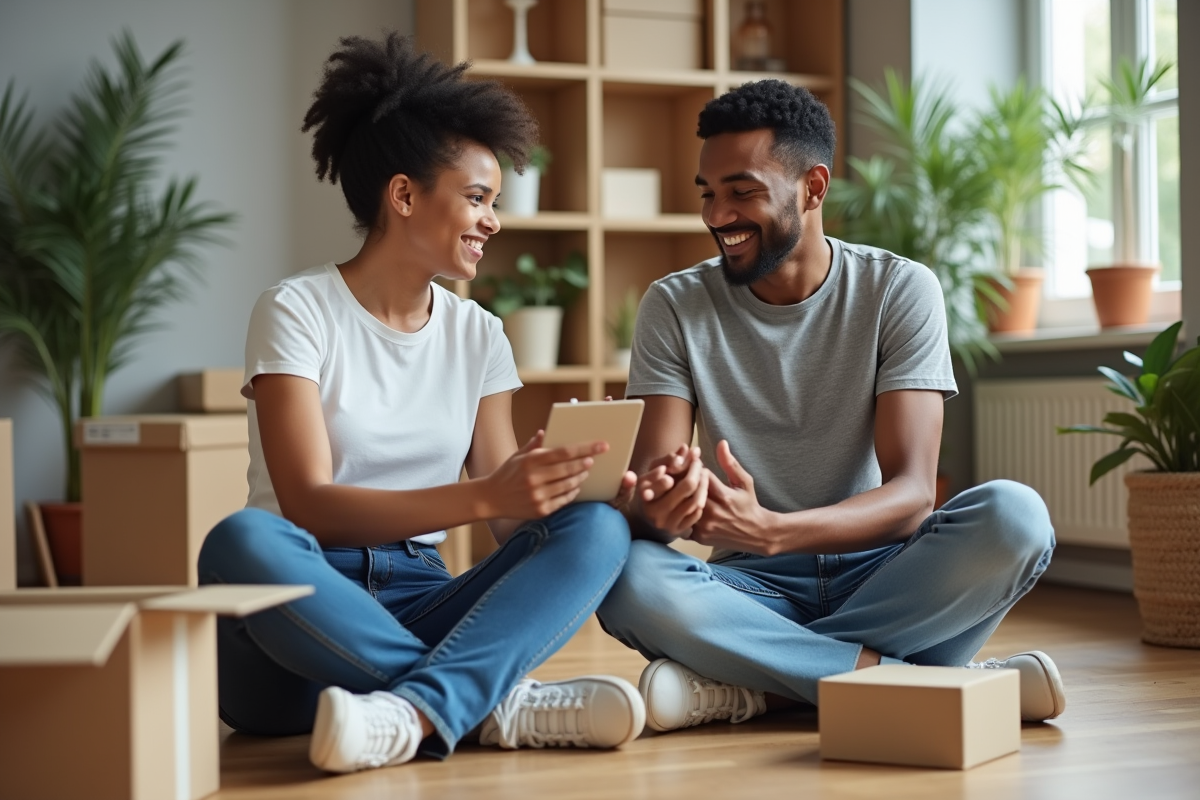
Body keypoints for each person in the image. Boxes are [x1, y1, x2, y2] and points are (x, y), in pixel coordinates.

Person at [197, 33, 644, 774]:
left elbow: (506, 520)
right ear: (404, 196)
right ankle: (483, 703)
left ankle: (419, 710)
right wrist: (487, 494)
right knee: (240, 540)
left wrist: (565, 493)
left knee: (598, 528)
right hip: (297, 621)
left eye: (495, 203)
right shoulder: (296, 310)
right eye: (477, 198)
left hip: (420, 601)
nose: (493, 221)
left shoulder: (480, 334)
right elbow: (308, 504)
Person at [597, 79, 1063, 734]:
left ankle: (764, 685)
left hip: (886, 574)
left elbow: (912, 495)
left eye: (742, 192)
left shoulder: (898, 288)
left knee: (1016, 516)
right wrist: (657, 505)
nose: (717, 215)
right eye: (707, 193)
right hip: (750, 589)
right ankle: (920, 683)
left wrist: (773, 529)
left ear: (813, 188)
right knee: (621, 572)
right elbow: (656, 499)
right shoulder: (674, 305)